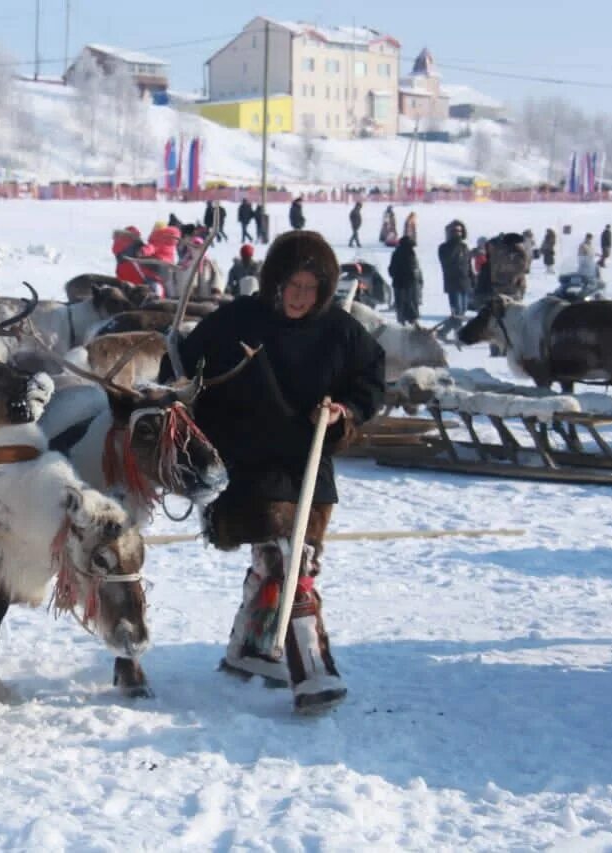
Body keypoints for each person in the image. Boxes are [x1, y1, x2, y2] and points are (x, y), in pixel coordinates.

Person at [167, 230, 385, 715]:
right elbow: (182, 365)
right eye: (292, 286)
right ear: (274, 283)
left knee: (282, 557)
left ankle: (253, 651)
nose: (300, 298)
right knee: (292, 558)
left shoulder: (342, 331)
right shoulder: (238, 321)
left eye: (311, 288)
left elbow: (371, 379)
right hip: (246, 459)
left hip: (307, 461)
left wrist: (344, 410)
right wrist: (181, 384)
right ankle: (313, 674)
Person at [438, 220, 472, 321]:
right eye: (456, 231)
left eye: (460, 231)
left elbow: (468, 264)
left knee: (464, 309)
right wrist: (455, 244)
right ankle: (453, 331)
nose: (458, 233)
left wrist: (472, 279)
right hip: (453, 283)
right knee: (457, 312)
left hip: (465, 282)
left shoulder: (464, 247)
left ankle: (458, 331)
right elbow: (447, 260)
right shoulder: (444, 247)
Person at [388, 235, 422, 325]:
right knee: (410, 306)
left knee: (402, 307)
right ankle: (412, 324)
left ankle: (404, 324)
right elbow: (415, 269)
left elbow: (391, 270)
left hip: (400, 284)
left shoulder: (397, 253)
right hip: (408, 284)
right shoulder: (409, 253)